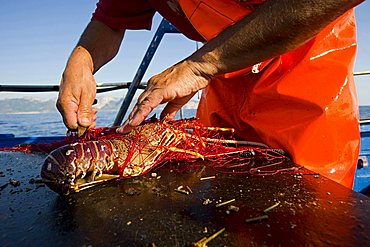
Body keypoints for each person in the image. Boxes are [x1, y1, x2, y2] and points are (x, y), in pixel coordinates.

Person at [57, 0, 364, 188]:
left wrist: (198, 67)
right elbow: (110, 21)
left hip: (305, 65)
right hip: (223, 70)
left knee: (311, 202)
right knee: (217, 180)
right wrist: (82, 59)